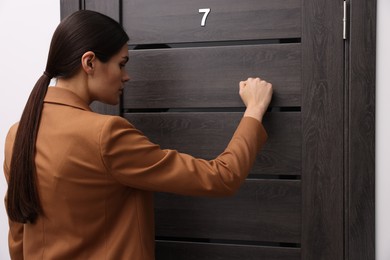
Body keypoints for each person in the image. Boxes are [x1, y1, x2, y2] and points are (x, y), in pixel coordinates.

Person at [3, 10, 272, 260]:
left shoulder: (18, 134)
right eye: (121, 64)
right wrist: (255, 111)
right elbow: (220, 177)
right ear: (89, 62)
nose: (126, 76)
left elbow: (18, 235)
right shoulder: (105, 134)